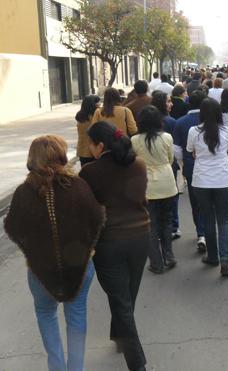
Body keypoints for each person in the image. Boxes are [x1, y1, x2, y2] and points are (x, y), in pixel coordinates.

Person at [4, 135, 104, 371]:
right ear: (60, 155)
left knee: (45, 314)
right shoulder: (78, 186)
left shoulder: (23, 193)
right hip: (80, 267)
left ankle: (57, 367)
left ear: (32, 159)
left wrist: (34, 252)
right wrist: (86, 247)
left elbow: (13, 228)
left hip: (40, 271)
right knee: (77, 318)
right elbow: (97, 219)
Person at [79, 121, 150, 370]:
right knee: (127, 295)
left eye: (91, 144)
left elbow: (86, 211)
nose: (89, 148)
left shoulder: (89, 172)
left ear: (100, 145)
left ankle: (137, 363)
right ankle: (119, 335)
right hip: (141, 237)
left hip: (109, 244)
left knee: (121, 300)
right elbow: (143, 198)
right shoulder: (139, 164)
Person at [186, 98, 228, 277]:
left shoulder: (194, 131)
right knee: (224, 220)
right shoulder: (226, 130)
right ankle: (226, 259)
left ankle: (212, 256)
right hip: (222, 179)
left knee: (207, 218)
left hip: (201, 181)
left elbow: (190, 150)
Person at [131, 105, 178, 275]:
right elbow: (171, 159)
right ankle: (169, 255)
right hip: (167, 183)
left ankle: (156, 262)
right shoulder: (167, 137)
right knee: (166, 220)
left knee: (150, 225)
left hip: (147, 184)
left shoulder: (135, 140)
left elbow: (134, 162)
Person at [173, 90, 207, 251]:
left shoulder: (180, 122)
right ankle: (209, 232)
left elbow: (177, 150)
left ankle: (201, 232)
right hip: (213, 167)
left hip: (191, 165)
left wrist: (184, 162)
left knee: (196, 201)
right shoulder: (212, 120)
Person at [152, 91, 181, 239]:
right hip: (168, 165)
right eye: (168, 101)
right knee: (172, 196)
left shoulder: (150, 121)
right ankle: (173, 226)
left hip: (151, 168)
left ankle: (158, 227)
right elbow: (174, 149)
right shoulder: (171, 122)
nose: (172, 104)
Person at [76, 94, 101, 166]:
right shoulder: (95, 116)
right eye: (98, 102)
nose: (100, 104)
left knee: (84, 172)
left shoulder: (80, 116)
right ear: (93, 104)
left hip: (82, 149)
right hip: (94, 150)